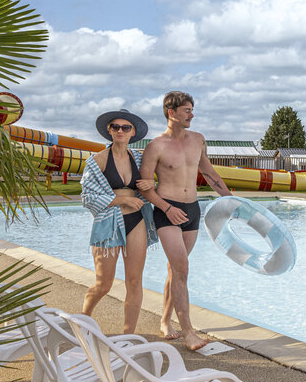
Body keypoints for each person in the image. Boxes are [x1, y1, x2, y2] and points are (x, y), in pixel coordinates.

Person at [137, 91, 232, 351]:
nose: (192, 114)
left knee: (175, 270)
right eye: (187, 110)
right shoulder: (155, 146)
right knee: (182, 269)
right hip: (167, 211)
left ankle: (166, 320)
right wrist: (167, 209)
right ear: (171, 113)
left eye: (192, 109)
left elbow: (208, 171)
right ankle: (189, 332)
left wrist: (230, 199)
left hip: (192, 209)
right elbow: (146, 188)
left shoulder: (198, 140)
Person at [81, 108, 158, 334]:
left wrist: (150, 186)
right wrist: (121, 198)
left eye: (126, 127)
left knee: (134, 282)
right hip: (109, 223)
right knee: (103, 284)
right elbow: (87, 197)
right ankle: (82, 319)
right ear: (109, 130)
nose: (121, 131)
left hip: (136, 221)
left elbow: (152, 184)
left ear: (133, 132)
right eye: (116, 127)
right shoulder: (97, 161)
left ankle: (128, 336)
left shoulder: (140, 158)